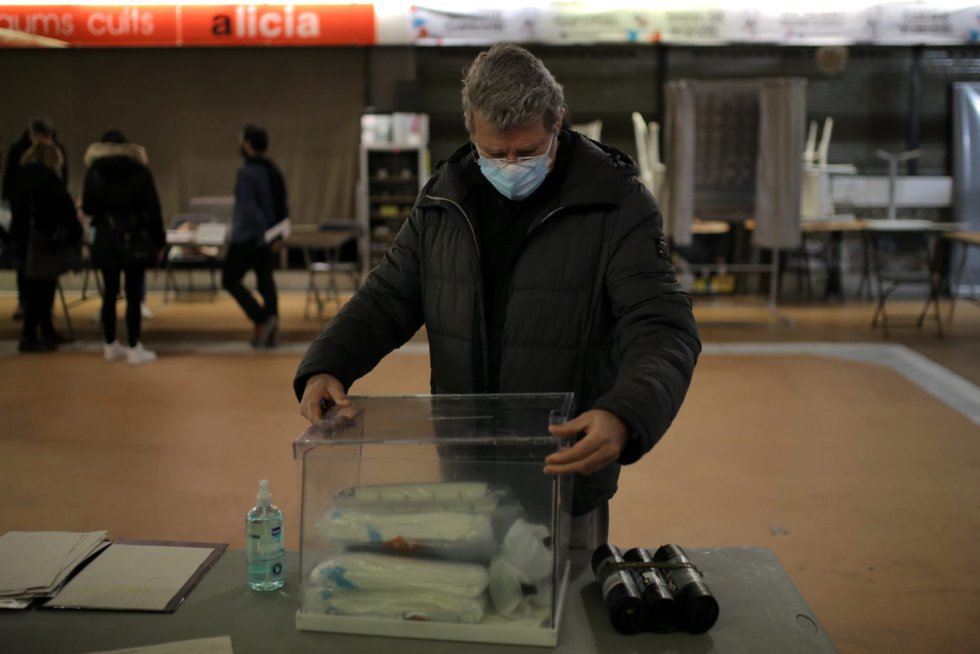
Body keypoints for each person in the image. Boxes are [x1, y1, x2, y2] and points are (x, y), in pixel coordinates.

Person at [293, 43, 701, 550]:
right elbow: (389, 297)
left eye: (527, 152)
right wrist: (328, 363)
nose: (511, 165)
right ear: (470, 128)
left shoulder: (614, 203)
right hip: (465, 471)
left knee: (567, 613)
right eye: (494, 153)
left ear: (558, 123)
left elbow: (663, 327)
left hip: (564, 475)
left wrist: (625, 413)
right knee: (468, 604)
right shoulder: (444, 198)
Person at [82, 129, 165, 366]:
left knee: (108, 295)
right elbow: (153, 209)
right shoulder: (140, 170)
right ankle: (134, 347)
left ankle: (110, 345)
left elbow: (88, 207)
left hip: (106, 238)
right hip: (135, 237)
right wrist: (159, 241)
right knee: (133, 295)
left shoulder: (94, 172)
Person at [7, 141, 82, 352]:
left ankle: (40, 332)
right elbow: (65, 209)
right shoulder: (49, 179)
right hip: (44, 240)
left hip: (24, 239)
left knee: (31, 288)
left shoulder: (20, 177)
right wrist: (75, 232)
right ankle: (34, 334)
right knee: (44, 288)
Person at [223, 124, 288, 349]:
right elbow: (282, 204)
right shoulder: (273, 169)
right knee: (265, 279)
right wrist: (276, 235)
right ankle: (270, 324)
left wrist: (262, 232)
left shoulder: (246, 172)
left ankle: (262, 319)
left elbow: (248, 209)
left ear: (248, 144)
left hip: (248, 237)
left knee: (229, 278)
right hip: (270, 236)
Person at [2, 116, 69, 323]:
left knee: (40, 270)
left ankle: (41, 311)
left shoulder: (54, 151)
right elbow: (8, 186)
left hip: (40, 222)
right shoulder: (20, 151)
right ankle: (28, 306)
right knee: (26, 268)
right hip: (28, 221)